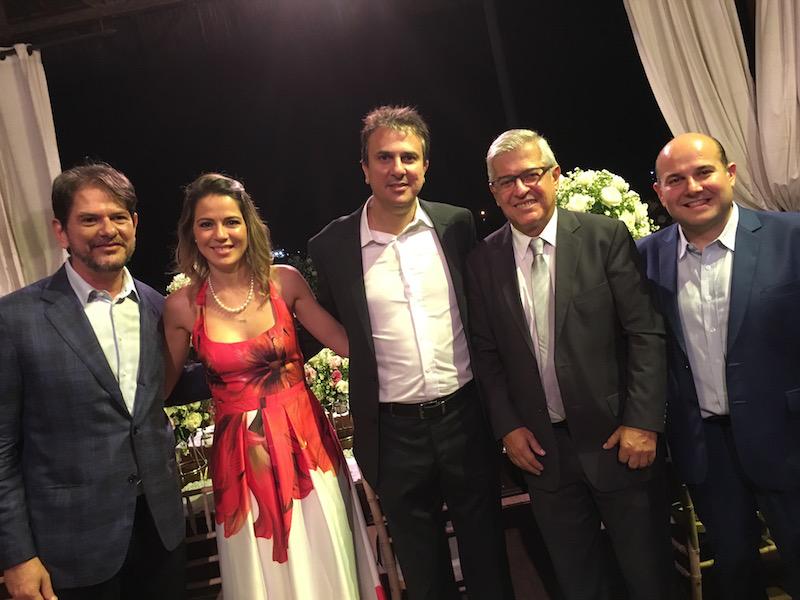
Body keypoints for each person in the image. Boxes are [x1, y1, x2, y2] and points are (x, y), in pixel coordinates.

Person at [308, 106, 514, 600]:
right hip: (392, 432)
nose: (397, 168)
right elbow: (322, 322)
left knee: (488, 555)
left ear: (425, 166)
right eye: (384, 157)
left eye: (408, 157)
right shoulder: (331, 245)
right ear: (364, 168)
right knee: (423, 571)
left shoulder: (455, 224)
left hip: (465, 418)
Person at [466, 129, 673, 600]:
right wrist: (508, 427)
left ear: (555, 175)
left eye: (531, 175)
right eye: (506, 181)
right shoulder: (481, 261)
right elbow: (486, 354)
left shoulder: (604, 237)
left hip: (619, 441)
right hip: (543, 454)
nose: (521, 189)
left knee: (651, 580)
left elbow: (644, 332)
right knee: (580, 585)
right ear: (494, 192)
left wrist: (643, 421)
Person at [162, 173, 382, 600]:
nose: (221, 234)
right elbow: (161, 388)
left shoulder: (284, 282)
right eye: (207, 224)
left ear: (249, 225)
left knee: (326, 556)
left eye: (231, 221)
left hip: (308, 447)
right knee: (264, 569)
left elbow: (348, 345)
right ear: (191, 233)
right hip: (241, 463)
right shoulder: (181, 308)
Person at [0, 164, 190, 599]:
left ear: (134, 224)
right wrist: (16, 555)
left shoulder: (160, 308)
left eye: (118, 216)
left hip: (161, 535)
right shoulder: (14, 319)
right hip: (70, 551)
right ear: (61, 231)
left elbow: (167, 390)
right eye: (89, 219)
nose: (107, 230)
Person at [637, 132, 800, 600]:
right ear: (660, 192)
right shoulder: (645, 257)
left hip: (788, 437)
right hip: (705, 449)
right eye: (675, 179)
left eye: (703, 172)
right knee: (734, 571)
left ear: (730, 174)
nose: (692, 187)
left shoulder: (790, 236)